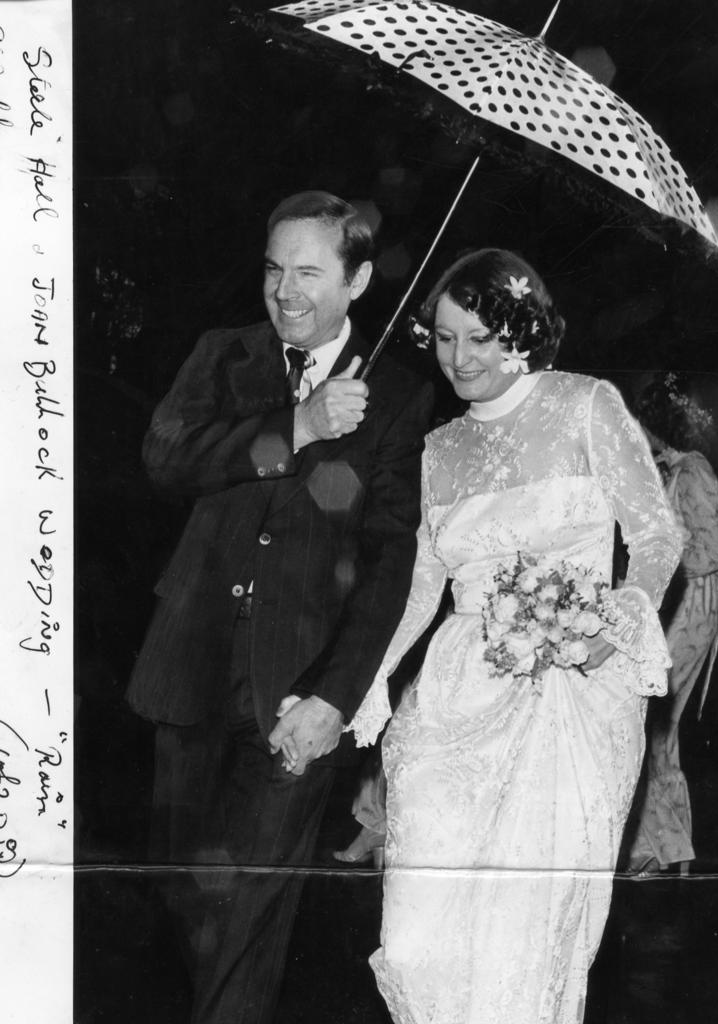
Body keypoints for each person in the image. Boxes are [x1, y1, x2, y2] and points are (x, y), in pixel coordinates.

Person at [344, 248, 682, 1024]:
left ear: (521, 331)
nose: (458, 358)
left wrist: (616, 623)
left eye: (479, 338)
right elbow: (424, 585)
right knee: (418, 930)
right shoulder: (440, 448)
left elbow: (658, 535)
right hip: (457, 692)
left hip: (570, 689)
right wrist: (369, 677)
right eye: (443, 337)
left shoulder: (587, 405)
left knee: (524, 929)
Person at [125, 190, 433, 1024]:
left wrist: (336, 695)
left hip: (295, 692)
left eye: (308, 271)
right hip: (187, 669)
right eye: (273, 269)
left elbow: (389, 559)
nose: (285, 291)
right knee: (182, 896)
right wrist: (295, 424)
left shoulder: (400, 397)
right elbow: (166, 458)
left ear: (359, 279)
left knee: (252, 916)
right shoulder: (222, 356)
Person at [625, 373, 718, 875]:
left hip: (690, 603)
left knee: (653, 722)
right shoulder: (667, 469)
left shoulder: (692, 470)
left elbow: (712, 551)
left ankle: (659, 846)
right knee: (654, 727)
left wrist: (659, 561)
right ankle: (665, 845)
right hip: (676, 602)